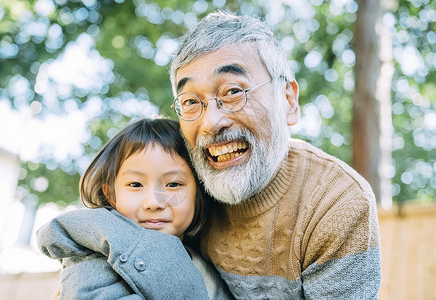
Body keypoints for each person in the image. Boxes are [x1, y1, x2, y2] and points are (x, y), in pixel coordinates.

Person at [169, 11, 381, 299]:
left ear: (288, 101)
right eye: (191, 102)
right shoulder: (175, 182)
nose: (211, 122)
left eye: (233, 91)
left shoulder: (336, 203)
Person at [37, 118, 232, 299]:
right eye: (135, 185)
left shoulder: (212, 266)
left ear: (199, 193)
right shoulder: (94, 256)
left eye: (173, 184)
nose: (154, 202)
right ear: (111, 195)